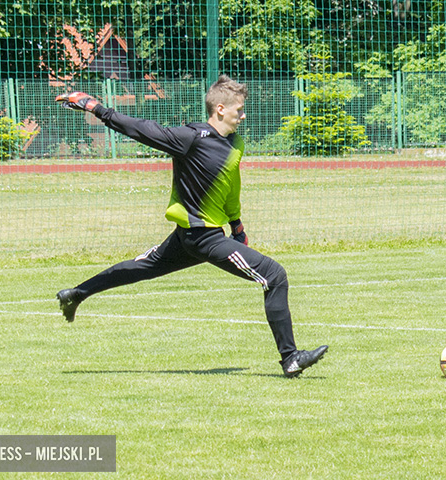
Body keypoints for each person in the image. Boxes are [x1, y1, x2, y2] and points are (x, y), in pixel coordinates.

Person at [54, 75, 328, 378]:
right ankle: (290, 359)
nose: (243, 115)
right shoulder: (192, 138)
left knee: (140, 267)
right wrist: (96, 108)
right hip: (202, 238)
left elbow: (230, 187)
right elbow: (143, 130)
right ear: (220, 109)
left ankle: (76, 294)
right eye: (239, 110)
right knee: (274, 276)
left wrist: (237, 226)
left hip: (194, 237)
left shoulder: (235, 144)